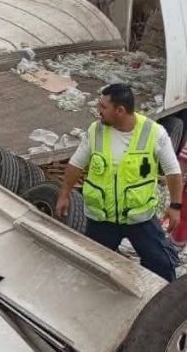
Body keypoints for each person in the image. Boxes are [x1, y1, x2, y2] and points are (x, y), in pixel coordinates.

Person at [55, 83, 183, 282]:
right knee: (92, 268)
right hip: (102, 219)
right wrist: (64, 194)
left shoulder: (153, 133)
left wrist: (175, 206)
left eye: (103, 107)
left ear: (120, 110)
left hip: (139, 219)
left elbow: (174, 172)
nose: (99, 111)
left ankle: (164, 308)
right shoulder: (95, 131)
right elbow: (76, 165)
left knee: (162, 266)